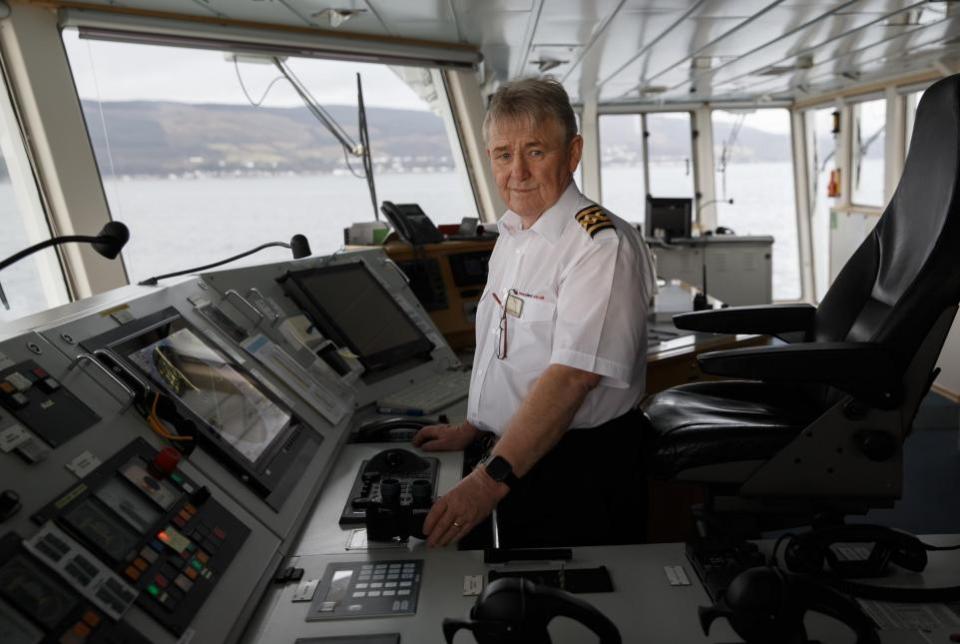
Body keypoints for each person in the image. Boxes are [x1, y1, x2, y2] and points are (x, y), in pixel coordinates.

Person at [414, 77, 655, 548]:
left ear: (573, 152)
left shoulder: (599, 245)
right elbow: (509, 354)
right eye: (504, 155)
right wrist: (477, 425)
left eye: (536, 151)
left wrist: (486, 481)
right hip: (520, 454)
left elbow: (570, 379)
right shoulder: (514, 234)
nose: (517, 171)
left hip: (579, 470)